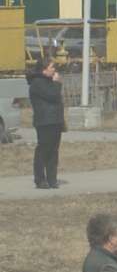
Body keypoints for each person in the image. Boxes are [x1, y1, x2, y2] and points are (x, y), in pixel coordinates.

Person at [28, 56, 65, 190]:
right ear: (44, 70)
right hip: (44, 122)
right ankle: (40, 179)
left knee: (53, 151)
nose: (54, 70)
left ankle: (52, 179)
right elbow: (52, 95)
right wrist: (57, 83)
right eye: (52, 67)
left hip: (55, 121)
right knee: (43, 150)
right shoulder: (38, 82)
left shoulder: (49, 81)